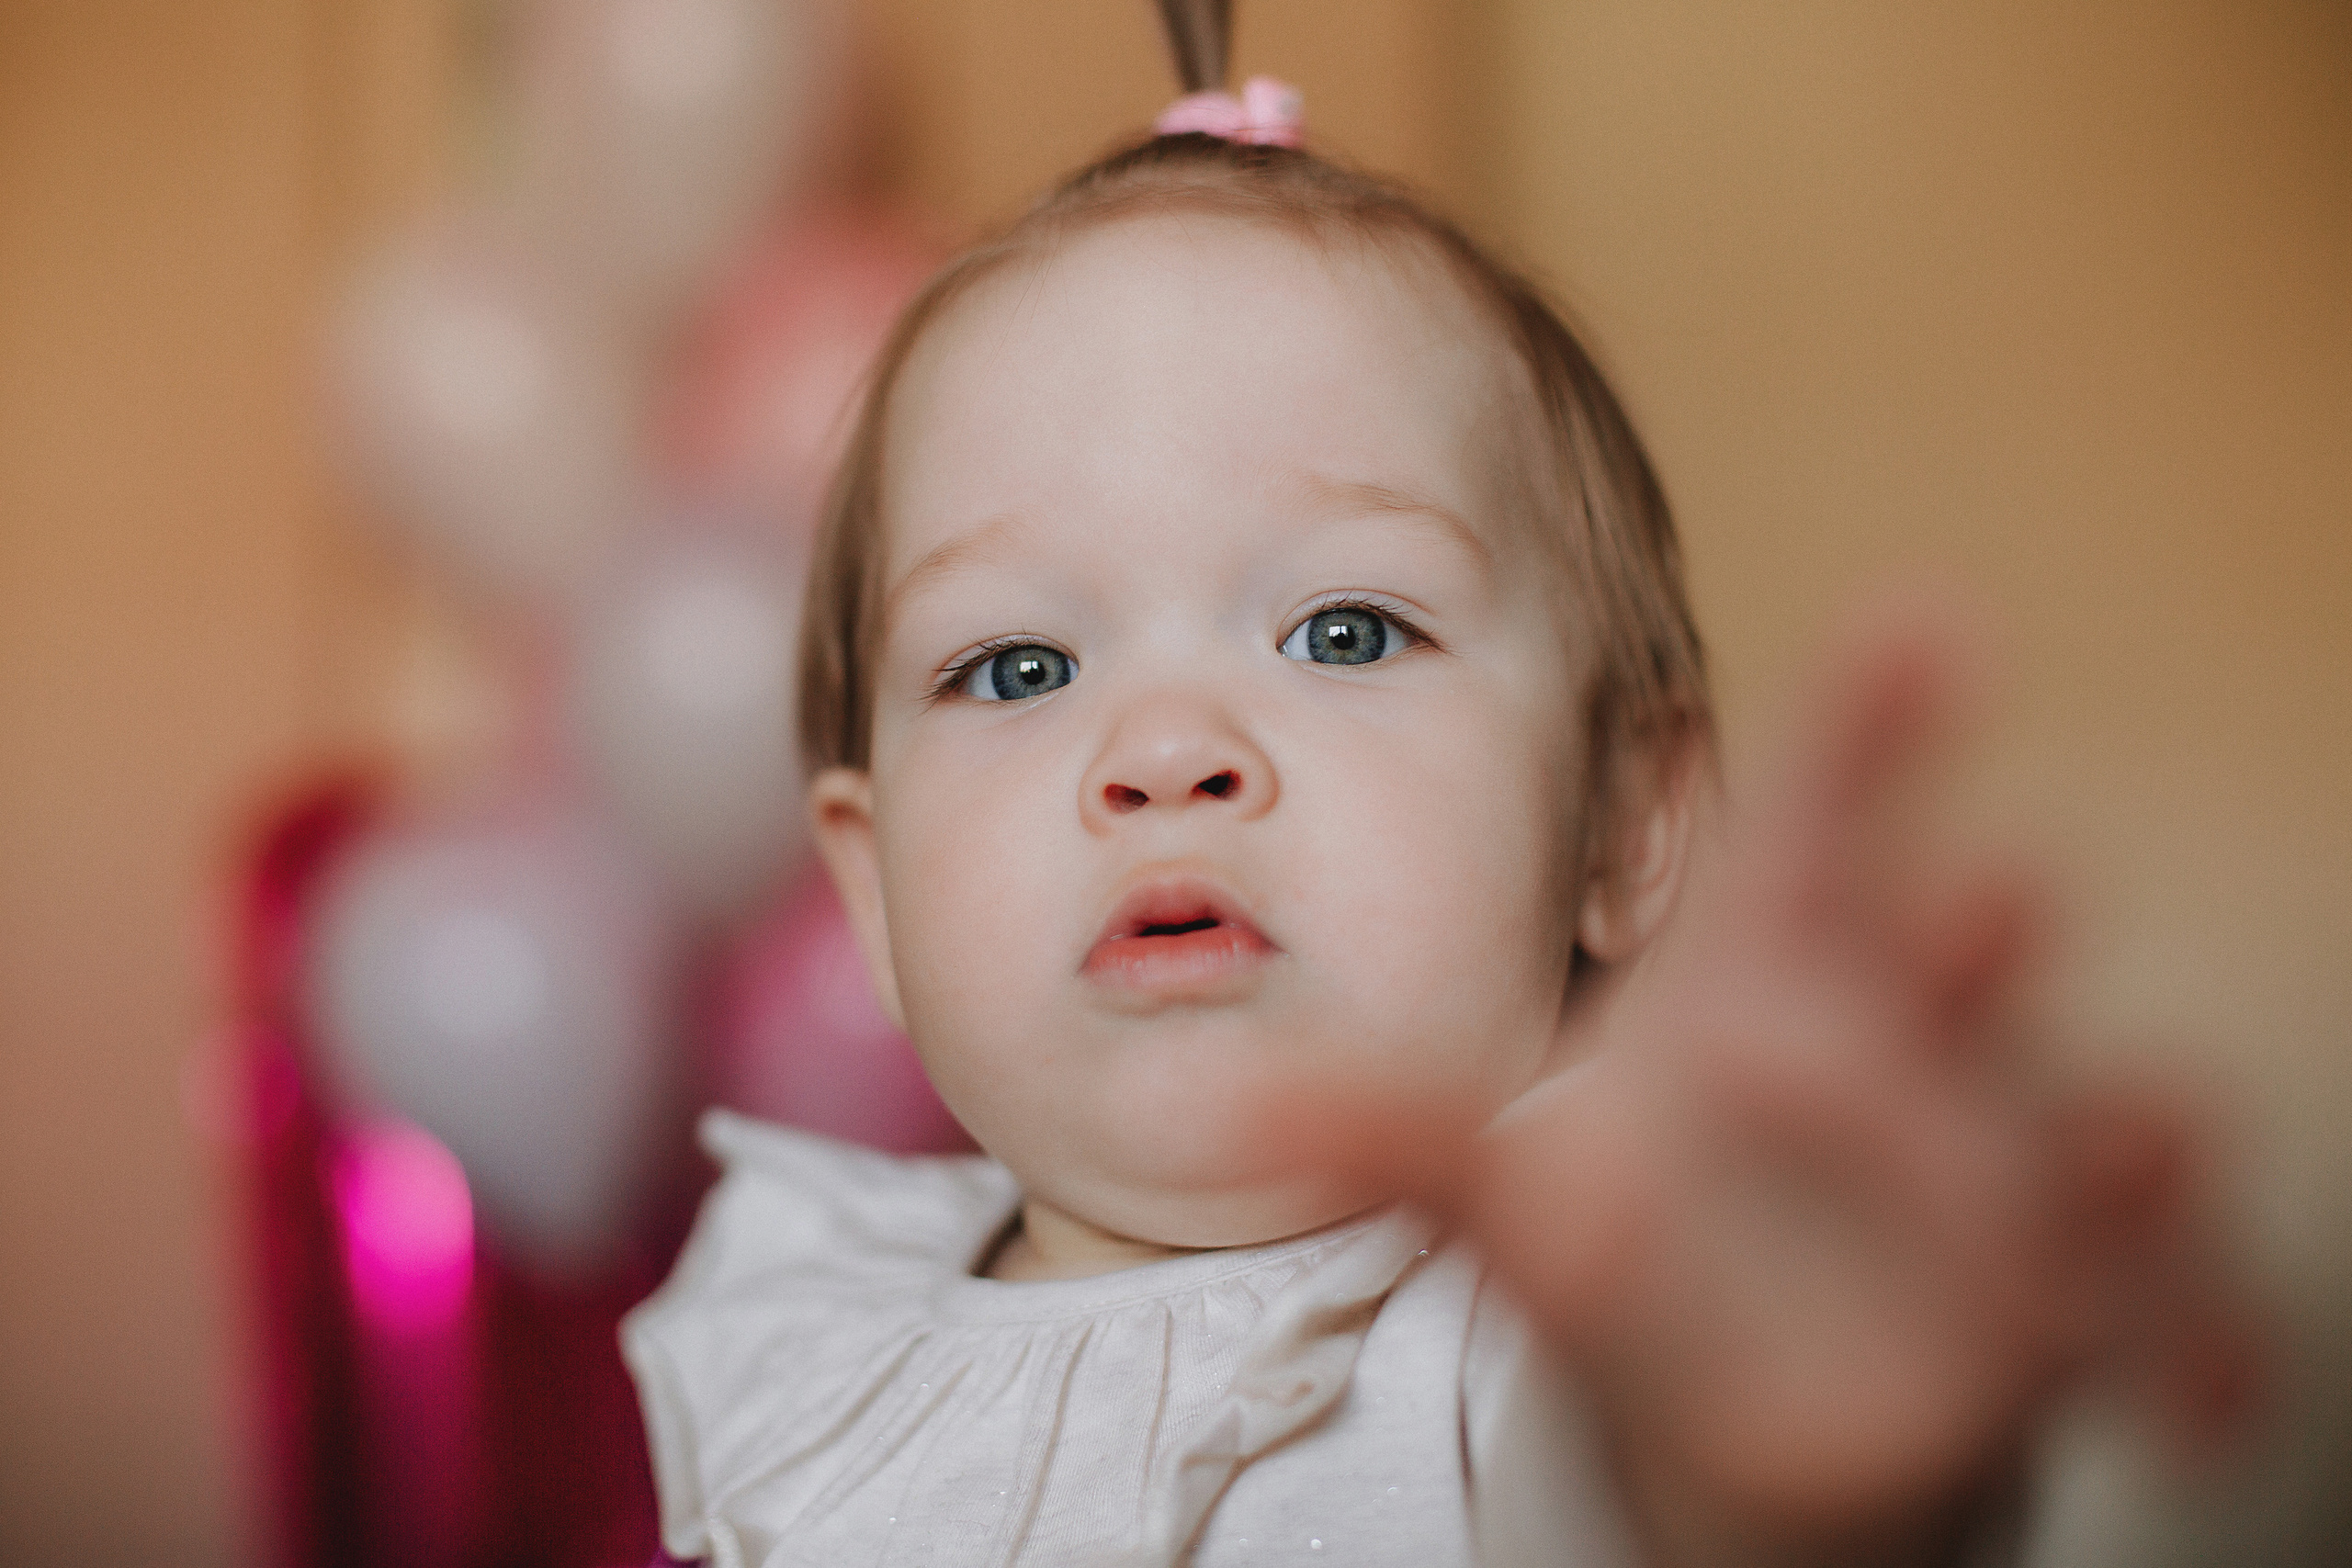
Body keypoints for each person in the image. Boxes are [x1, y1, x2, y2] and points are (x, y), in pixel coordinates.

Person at [621, 6, 2254, 1563]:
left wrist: (1784, 1496)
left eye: (1342, 630)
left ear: (1626, 818)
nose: (1166, 754)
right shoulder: (796, 1326)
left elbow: (1684, 1494)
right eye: (1020, 670)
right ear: (869, 888)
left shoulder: (1569, 1321)